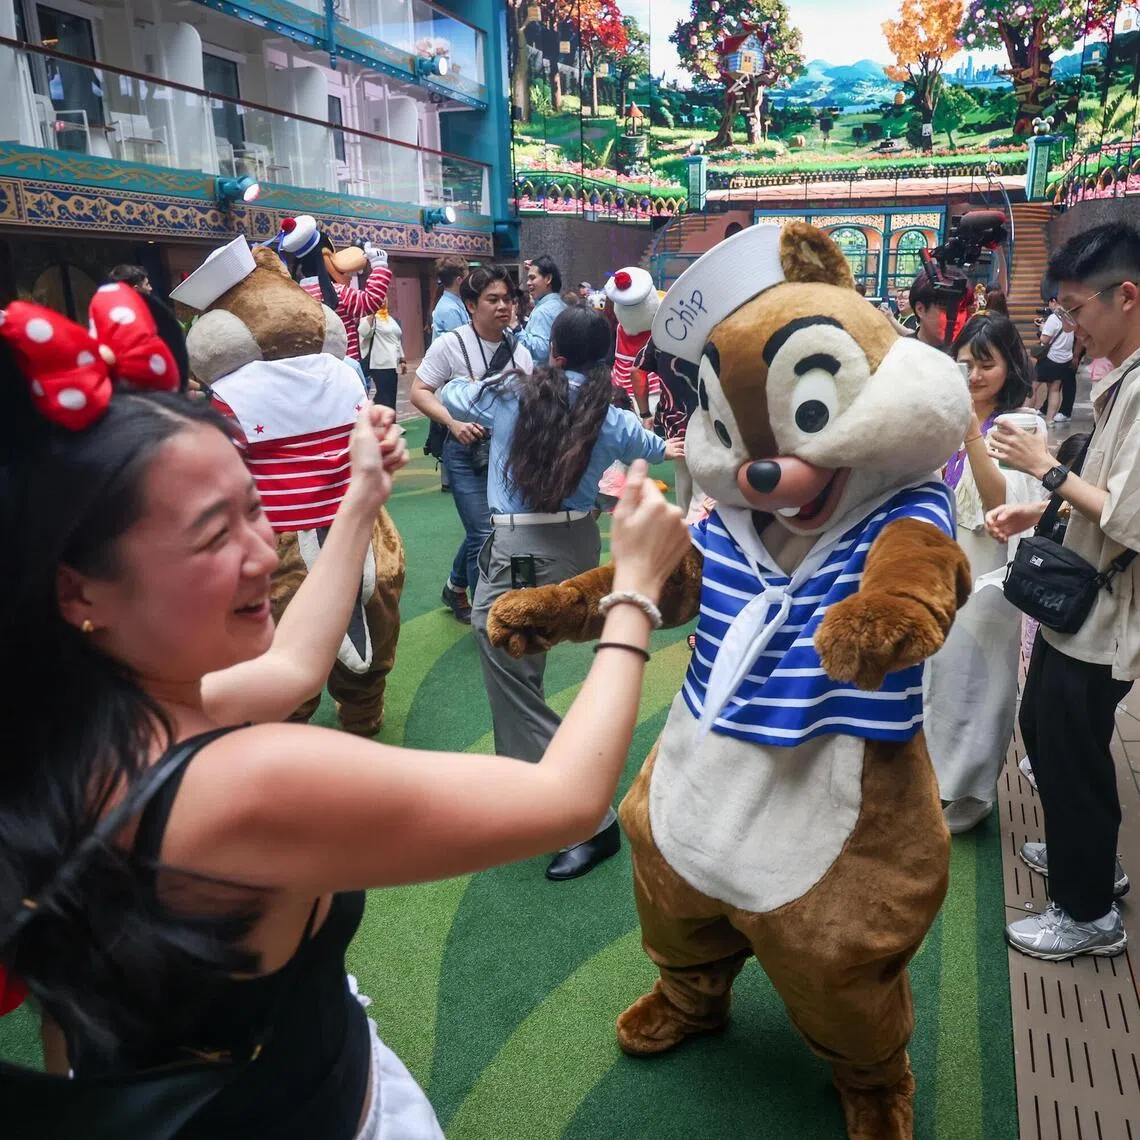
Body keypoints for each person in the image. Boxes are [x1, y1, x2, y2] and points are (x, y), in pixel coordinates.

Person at [0, 344, 691, 1132]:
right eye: (211, 535)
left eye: (253, 505)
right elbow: (564, 798)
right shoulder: (245, 785)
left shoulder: (73, 719)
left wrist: (361, 497)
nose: (264, 554)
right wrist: (633, 587)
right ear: (78, 589)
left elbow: (296, 667)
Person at [439, 306, 684, 879]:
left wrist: (495, 367)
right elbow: (647, 445)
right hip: (576, 545)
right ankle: (525, 788)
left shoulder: (511, 394)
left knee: (507, 661)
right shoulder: (608, 410)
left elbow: (451, 396)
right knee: (520, 663)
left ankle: (589, 817)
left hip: (524, 553)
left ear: (555, 351)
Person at [985, 221, 1140, 961]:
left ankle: (1087, 917)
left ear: (1127, 295)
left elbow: (1131, 516)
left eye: (1077, 310)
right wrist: (1040, 506)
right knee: (1049, 735)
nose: (1068, 327)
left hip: (1105, 615)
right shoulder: (1125, 376)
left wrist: (1043, 468)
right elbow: (1103, 487)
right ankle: (1091, 864)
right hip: (1080, 607)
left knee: (1069, 752)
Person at [924, 314, 1039, 833]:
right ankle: (933, 782)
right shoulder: (945, 420)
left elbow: (999, 505)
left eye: (985, 364)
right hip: (943, 572)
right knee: (939, 679)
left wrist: (971, 430)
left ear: (1009, 365)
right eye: (964, 363)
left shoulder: (1022, 425)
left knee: (980, 683)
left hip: (990, 578)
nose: (972, 375)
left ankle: (971, 793)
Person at [410, 265, 534, 624]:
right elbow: (418, 391)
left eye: (508, 299)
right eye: (492, 299)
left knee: (498, 527)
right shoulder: (451, 344)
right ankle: (489, 612)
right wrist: (453, 422)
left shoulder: (519, 350)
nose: (503, 307)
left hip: (506, 453)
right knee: (483, 531)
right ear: (470, 304)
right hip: (463, 451)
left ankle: (454, 587)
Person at [517, 255, 567, 363]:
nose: (528, 283)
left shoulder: (543, 311)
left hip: (543, 375)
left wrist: (516, 329)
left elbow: (542, 351)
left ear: (548, 279)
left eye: (532, 278)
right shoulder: (561, 305)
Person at [1037, 296, 1077, 425]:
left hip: (1051, 358)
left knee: (1032, 386)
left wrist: (1042, 328)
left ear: (1054, 302)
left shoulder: (1053, 319)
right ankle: (1049, 420)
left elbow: (1044, 340)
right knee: (1055, 389)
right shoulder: (1071, 317)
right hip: (1065, 359)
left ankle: (1027, 417)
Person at [358, 303, 406, 410]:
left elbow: (396, 339)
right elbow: (363, 332)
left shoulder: (389, 318)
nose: (383, 301)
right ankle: (371, 414)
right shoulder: (370, 318)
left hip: (392, 365)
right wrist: (371, 315)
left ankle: (390, 422)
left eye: (385, 297)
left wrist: (402, 359)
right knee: (384, 398)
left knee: (391, 397)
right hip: (379, 365)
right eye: (380, 298)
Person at [430, 255, 470, 342]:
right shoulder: (450, 309)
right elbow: (460, 344)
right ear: (459, 280)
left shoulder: (454, 302)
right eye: (467, 279)